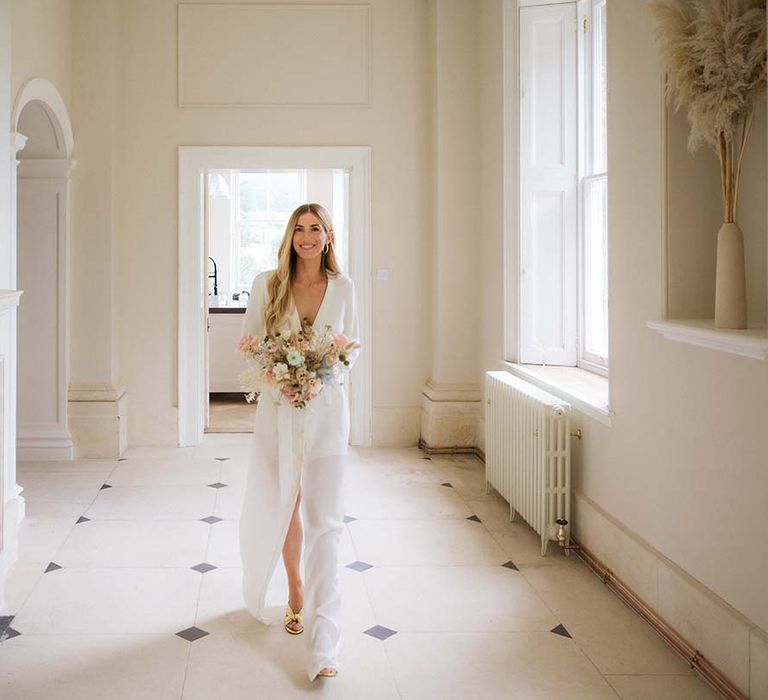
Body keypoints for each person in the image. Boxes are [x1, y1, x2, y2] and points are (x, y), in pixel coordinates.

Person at [238, 202, 360, 681]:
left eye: (316, 229)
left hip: (328, 416)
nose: (307, 237)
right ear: (290, 237)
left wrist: (318, 376)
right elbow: (251, 343)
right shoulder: (267, 285)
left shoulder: (345, 288)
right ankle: (294, 589)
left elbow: (353, 349)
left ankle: (325, 642)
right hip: (278, 417)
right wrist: (280, 380)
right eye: (299, 229)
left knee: (326, 520)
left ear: (329, 236)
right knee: (284, 505)